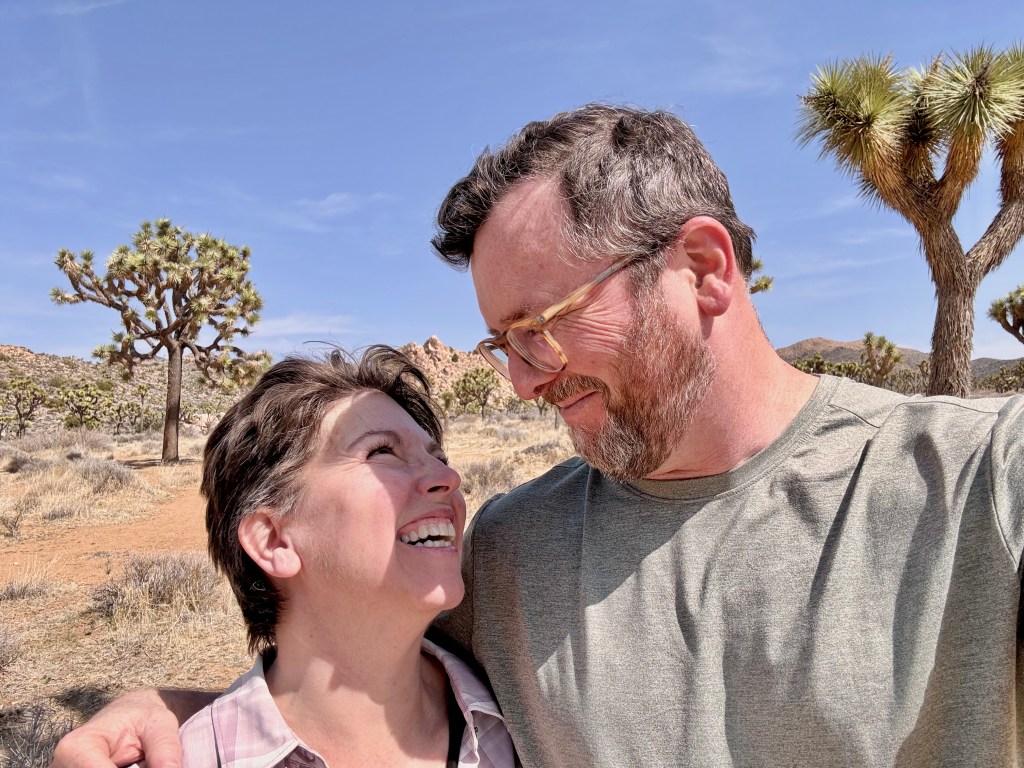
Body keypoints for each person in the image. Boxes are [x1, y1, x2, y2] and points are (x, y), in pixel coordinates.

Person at [54, 104, 1024, 767]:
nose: (522, 380)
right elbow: (347, 686)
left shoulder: (981, 480)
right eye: (501, 343)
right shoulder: (510, 553)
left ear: (702, 268)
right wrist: (181, 717)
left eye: (542, 325)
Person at [140, 346, 515, 767]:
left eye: (438, 458)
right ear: (274, 541)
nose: (448, 477)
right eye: (381, 452)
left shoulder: (515, 716)